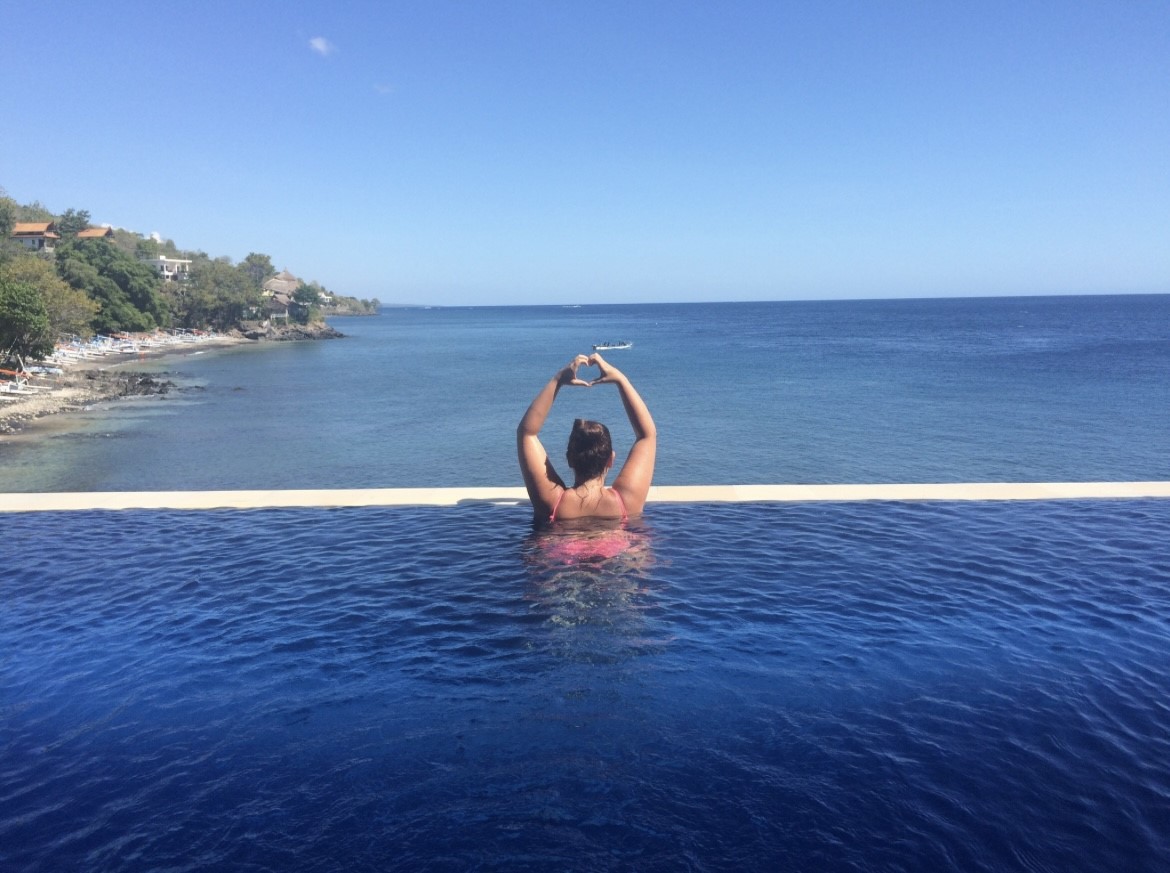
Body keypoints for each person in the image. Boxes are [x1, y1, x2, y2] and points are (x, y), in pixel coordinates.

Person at [517, 353, 656, 526]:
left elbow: (526, 433)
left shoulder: (552, 503)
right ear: (610, 460)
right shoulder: (627, 502)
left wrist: (558, 380)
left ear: (569, 458)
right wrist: (621, 379)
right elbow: (647, 436)